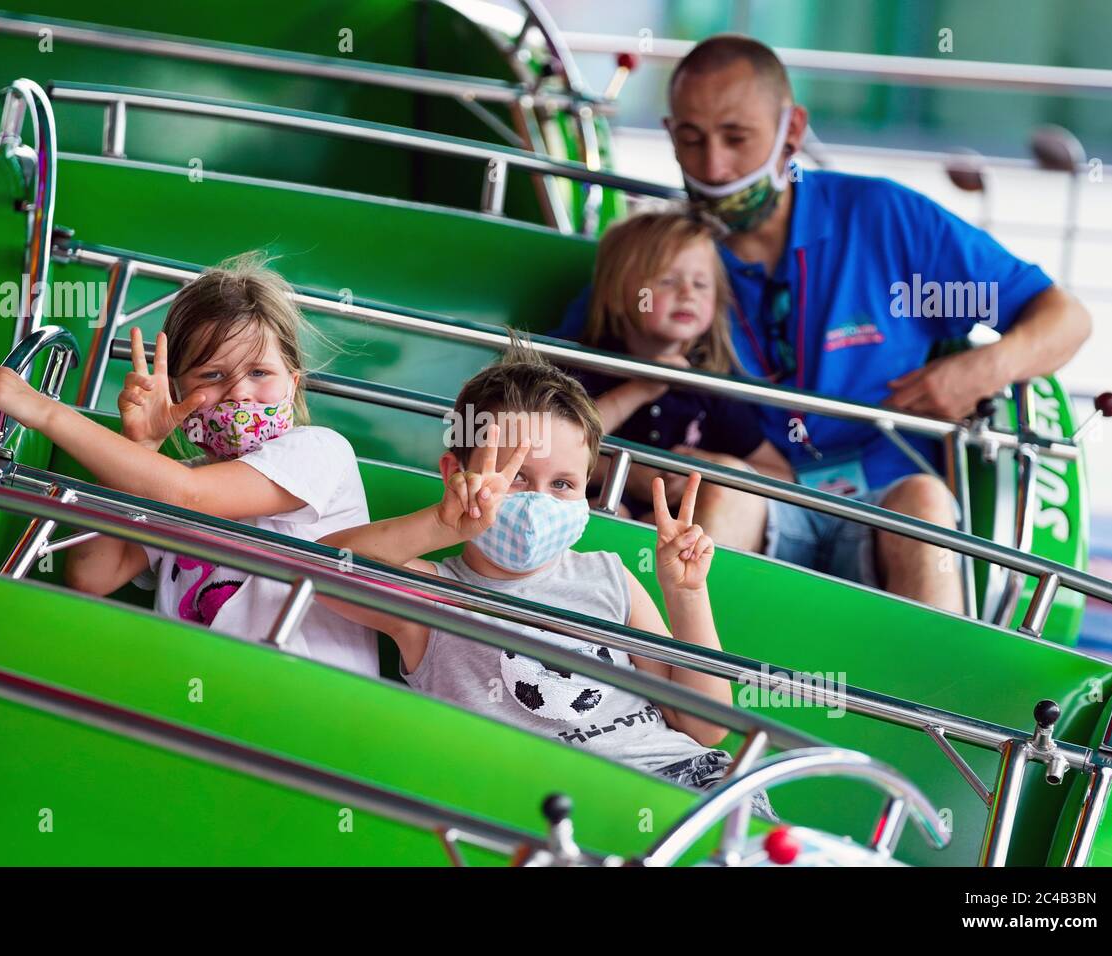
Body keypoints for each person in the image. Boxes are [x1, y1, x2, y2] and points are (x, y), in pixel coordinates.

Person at [555, 35, 1092, 612]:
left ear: (791, 128)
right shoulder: (662, 260)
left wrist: (974, 371)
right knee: (716, 488)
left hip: (884, 495)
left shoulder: (885, 218)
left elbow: (1065, 319)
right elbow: (560, 413)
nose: (713, 166)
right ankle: (683, 695)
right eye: (691, 139)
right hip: (750, 499)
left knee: (927, 508)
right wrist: (631, 471)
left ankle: (936, 699)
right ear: (670, 135)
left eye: (737, 138)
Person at [319, 342, 775, 814]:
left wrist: (687, 594)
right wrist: (440, 523)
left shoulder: (609, 577)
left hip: (689, 783)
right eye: (515, 477)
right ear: (456, 472)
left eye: (562, 484)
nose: (539, 501)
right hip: (557, 812)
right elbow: (322, 570)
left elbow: (704, 726)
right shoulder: (436, 597)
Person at [0, 253, 378, 676]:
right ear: (178, 390)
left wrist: (42, 410)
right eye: (213, 376)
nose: (239, 392)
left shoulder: (321, 451)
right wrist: (141, 445)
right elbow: (92, 574)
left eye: (259, 372)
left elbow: (191, 496)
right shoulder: (174, 482)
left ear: (292, 384)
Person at [568, 208, 797, 556]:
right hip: (603, 509)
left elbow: (780, 475)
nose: (688, 293)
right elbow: (556, 446)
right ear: (616, 295)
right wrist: (639, 394)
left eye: (701, 284)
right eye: (667, 281)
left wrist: (705, 467)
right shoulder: (583, 369)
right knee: (609, 513)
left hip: (684, 535)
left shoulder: (709, 389)